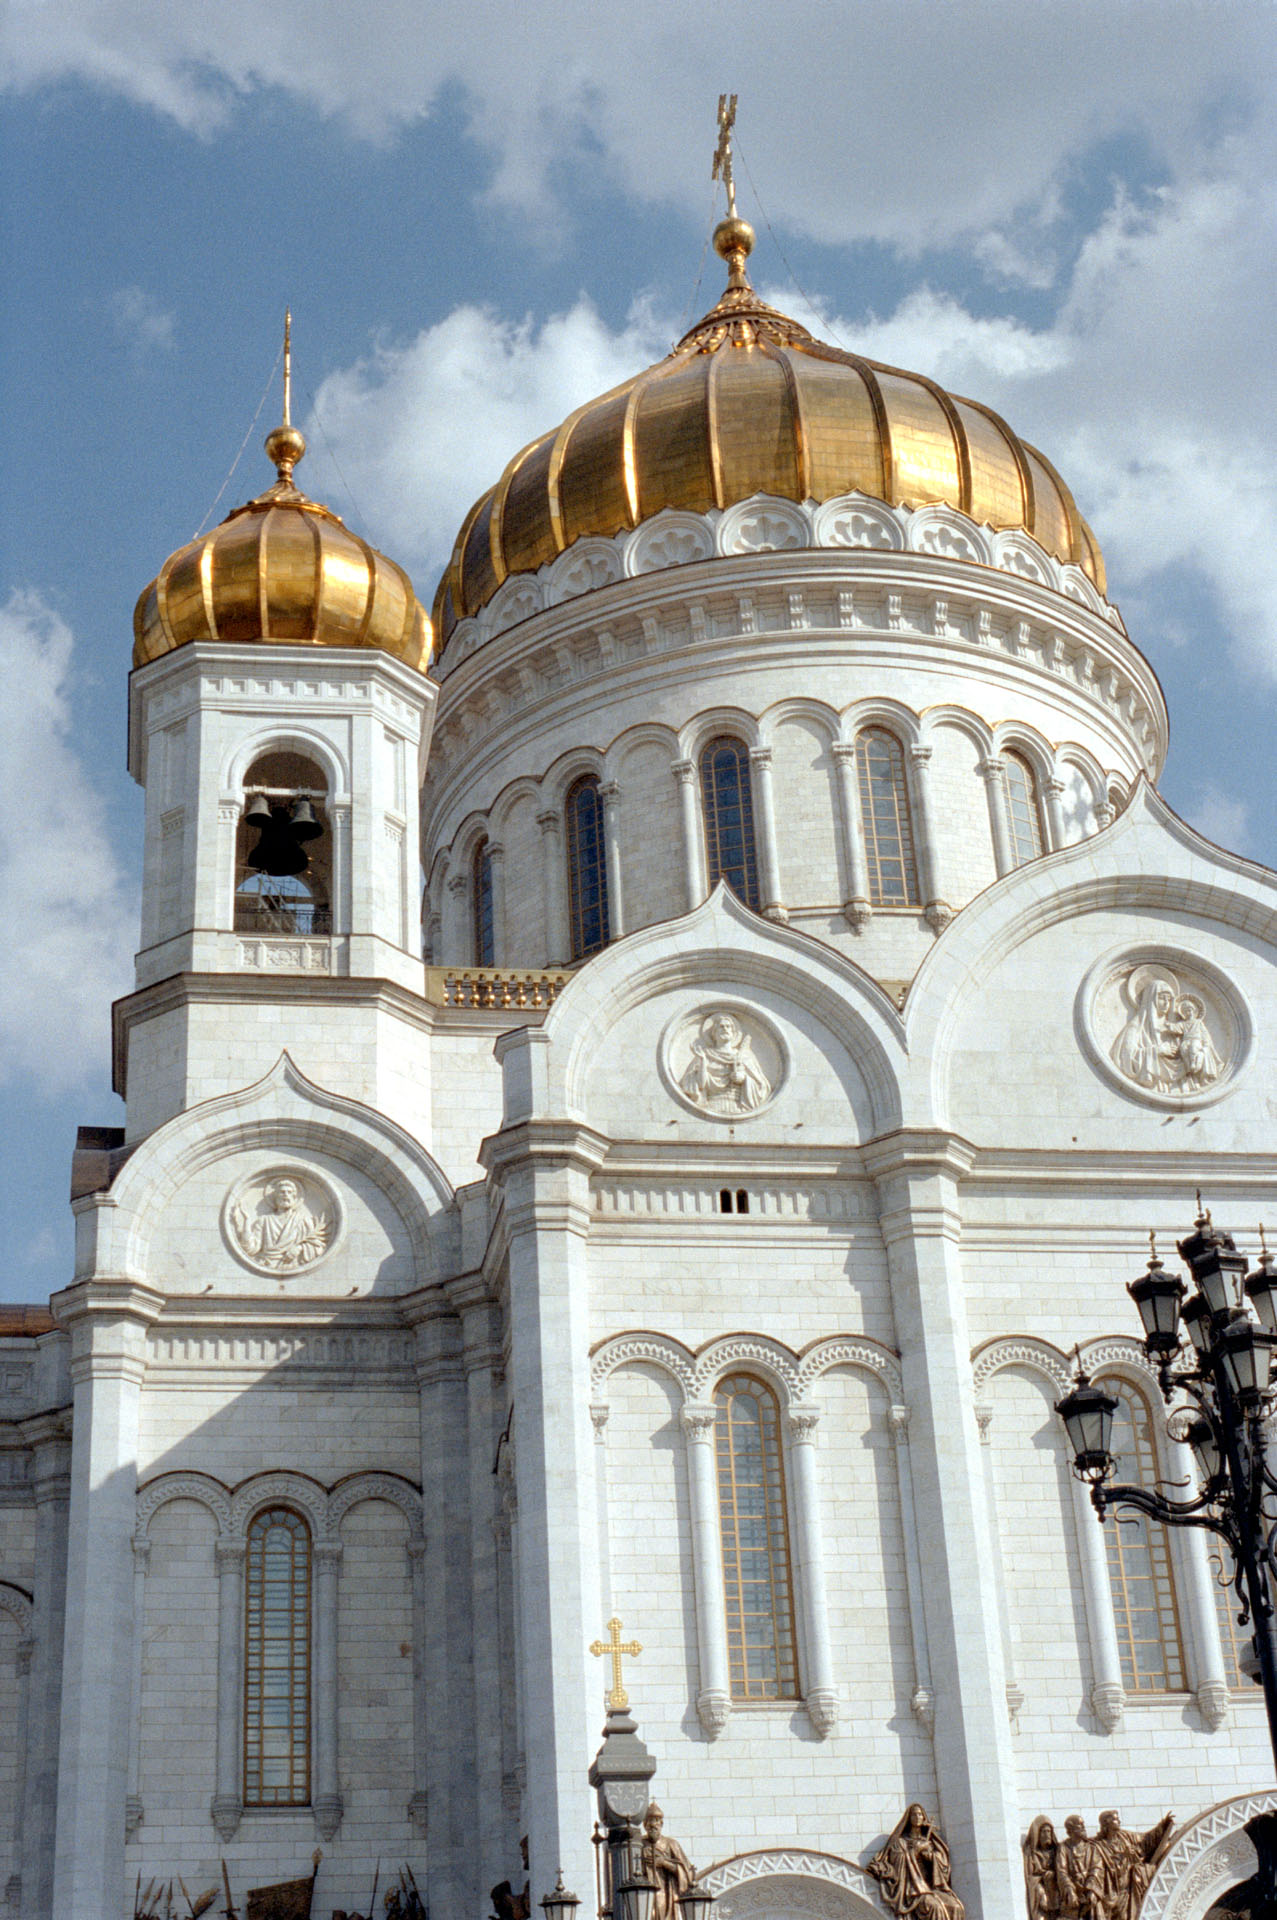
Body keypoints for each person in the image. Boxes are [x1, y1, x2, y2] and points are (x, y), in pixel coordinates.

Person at [867, 1804, 965, 1920]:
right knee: (935, 1907)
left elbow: (941, 1865)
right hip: (913, 1889)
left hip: (929, 1886)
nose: (917, 1817)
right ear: (909, 1818)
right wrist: (916, 1850)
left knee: (956, 1906)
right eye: (914, 1814)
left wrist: (931, 1857)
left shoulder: (929, 1842)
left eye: (920, 1814)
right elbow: (899, 1865)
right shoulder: (900, 1842)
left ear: (924, 1818)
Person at [1084, 1810, 1174, 1920]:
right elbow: (1097, 1868)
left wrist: (1162, 1825)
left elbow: (1145, 1839)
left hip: (1127, 1890)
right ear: (1106, 1823)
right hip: (1109, 1892)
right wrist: (1123, 1856)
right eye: (1115, 1819)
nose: (1119, 1821)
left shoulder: (1125, 1836)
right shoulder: (1096, 1845)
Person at [231, 1175, 329, 1271]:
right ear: (275, 1197)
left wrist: (299, 1248)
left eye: (289, 1192)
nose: (285, 1195)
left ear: (295, 1198)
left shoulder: (303, 1220)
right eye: (282, 1192)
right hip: (266, 1264)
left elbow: (316, 1244)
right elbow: (251, 1249)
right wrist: (246, 1222)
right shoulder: (264, 1221)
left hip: (291, 1264)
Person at [679, 1011, 770, 1114]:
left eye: (728, 1026)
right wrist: (703, 1061)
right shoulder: (705, 1055)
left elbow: (762, 1085)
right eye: (721, 1027)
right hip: (712, 1106)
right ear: (713, 1033)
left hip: (738, 1107)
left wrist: (745, 1079)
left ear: (733, 1033)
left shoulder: (744, 1056)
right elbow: (698, 1084)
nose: (725, 1029)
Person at [1111, 968, 1183, 1093]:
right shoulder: (1137, 1026)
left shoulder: (1172, 1028)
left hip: (1174, 1086)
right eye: (1162, 998)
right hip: (1151, 1081)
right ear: (1151, 998)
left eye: (1169, 999)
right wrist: (1158, 1050)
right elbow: (1126, 1056)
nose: (1166, 1003)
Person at [641, 1804, 695, 1920]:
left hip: (666, 1893)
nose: (653, 1827)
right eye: (650, 1824)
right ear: (645, 1826)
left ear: (661, 1825)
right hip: (645, 1893)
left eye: (656, 1824)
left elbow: (686, 1871)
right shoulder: (639, 1844)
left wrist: (665, 1863)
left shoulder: (671, 1844)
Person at [1176, 995, 1223, 1090]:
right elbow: (1175, 1027)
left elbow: (1205, 1035)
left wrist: (1206, 1045)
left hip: (1196, 1040)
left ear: (1194, 1011)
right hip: (1186, 1040)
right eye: (1186, 1011)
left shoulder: (1198, 1022)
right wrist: (1167, 1025)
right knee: (1183, 1049)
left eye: (1190, 1010)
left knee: (1193, 1048)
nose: (1188, 1013)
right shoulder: (1183, 1023)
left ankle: (1193, 1063)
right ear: (1184, 1013)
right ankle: (1188, 1067)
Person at [1023, 1818, 1062, 1920]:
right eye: (1044, 1831)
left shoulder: (1057, 1851)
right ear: (1038, 1834)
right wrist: (1040, 1890)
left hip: (1055, 1891)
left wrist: (1053, 1874)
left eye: (1049, 1831)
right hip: (1040, 1890)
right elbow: (1031, 1876)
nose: (1047, 1834)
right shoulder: (1031, 1853)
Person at [1057, 1817, 1094, 1919]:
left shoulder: (1091, 1847)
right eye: (1080, 1824)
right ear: (1071, 1829)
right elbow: (1062, 1871)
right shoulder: (1063, 1847)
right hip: (1073, 1891)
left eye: (1083, 1824)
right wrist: (1070, 1890)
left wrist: (1092, 1890)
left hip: (1089, 1890)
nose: (1083, 1827)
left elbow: (1097, 1870)